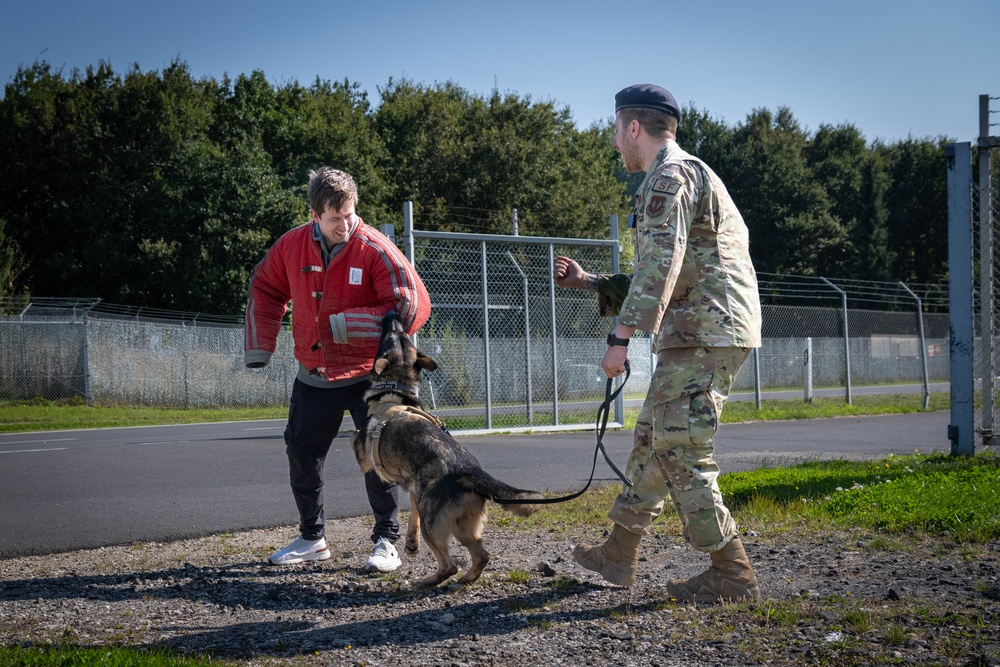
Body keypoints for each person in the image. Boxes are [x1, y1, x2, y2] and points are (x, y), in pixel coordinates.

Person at [554, 84, 762, 603]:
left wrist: (618, 337)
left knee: (682, 448)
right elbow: (673, 270)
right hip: (702, 330)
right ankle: (618, 553)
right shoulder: (685, 174)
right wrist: (591, 282)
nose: (613, 144)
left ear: (632, 127)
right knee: (651, 439)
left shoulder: (669, 176)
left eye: (615, 131)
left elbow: (660, 265)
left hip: (705, 335)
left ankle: (731, 572)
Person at [244, 167, 431, 571]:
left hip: (371, 374)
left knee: (378, 455)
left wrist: (349, 325)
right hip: (314, 372)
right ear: (314, 215)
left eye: (349, 214)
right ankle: (312, 538)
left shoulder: (375, 247)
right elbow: (264, 286)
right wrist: (261, 343)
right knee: (301, 452)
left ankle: (386, 541)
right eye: (334, 218)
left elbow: (411, 304)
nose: (345, 225)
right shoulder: (290, 246)